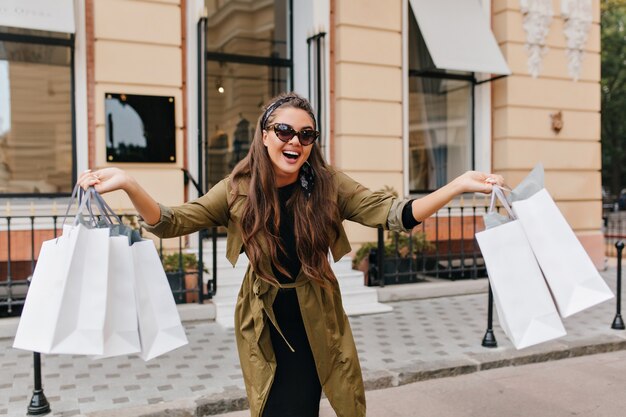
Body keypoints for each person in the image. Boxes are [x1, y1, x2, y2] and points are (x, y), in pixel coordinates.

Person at [78, 92, 504, 417]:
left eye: (305, 135)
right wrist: (131, 185)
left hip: (313, 312)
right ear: (265, 135)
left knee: (303, 403)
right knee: (269, 404)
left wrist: (459, 185)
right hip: (262, 315)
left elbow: (395, 214)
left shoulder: (327, 184)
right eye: (283, 131)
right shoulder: (238, 188)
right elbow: (172, 221)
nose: (294, 141)